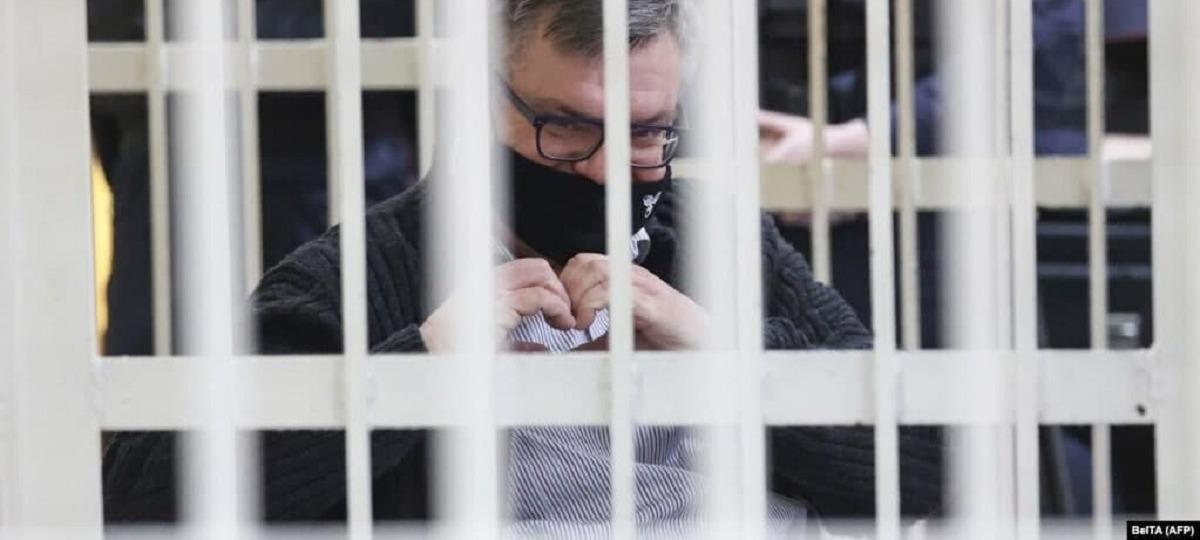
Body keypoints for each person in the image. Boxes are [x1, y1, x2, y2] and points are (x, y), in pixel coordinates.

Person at [103, 0, 942, 531]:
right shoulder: (366, 274)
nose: (609, 171)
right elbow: (139, 490)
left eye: (647, 133)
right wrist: (418, 370)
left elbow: (934, 462)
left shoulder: (721, 243)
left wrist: (725, 353)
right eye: (565, 127)